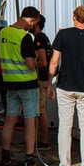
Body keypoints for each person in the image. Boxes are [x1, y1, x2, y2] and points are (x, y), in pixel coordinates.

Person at [46, 6, 84, 166]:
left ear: (74, 17)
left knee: (65, 126)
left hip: (65, 85)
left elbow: (54, 61)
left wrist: (49, 82)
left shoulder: (63, 35)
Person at [0, 6, 43, 166]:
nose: (33, 27)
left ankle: (6, 157)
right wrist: (37, 58)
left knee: (10, 119)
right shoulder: (25, 37)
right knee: (30, 120)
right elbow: (31, 65)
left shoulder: (3, 33)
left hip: (9, 82)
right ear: (31, 19)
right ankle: (29, 159)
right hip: (27, 83)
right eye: (34, 23)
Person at [33, 15, 52, 149]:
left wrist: (30, 63)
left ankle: (44, 141)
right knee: (39, 110)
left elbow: (43, 62)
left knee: (41, 110)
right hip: (44, 78)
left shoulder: (39, 38)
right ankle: (38, 139)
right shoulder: (43, 38)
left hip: (41, 78)